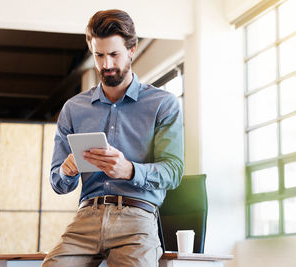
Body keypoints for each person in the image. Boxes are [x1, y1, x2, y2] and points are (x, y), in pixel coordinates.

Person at [42, 9, 184, 267]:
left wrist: (129, 170)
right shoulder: (74, 108)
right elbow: (58, 182)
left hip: (137, 218)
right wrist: (66, 171)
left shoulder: (163, 104)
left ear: (132, 49)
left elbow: (173, 171)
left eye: (114, 54)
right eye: (99, 55)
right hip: (86, 217)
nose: (106, 64)